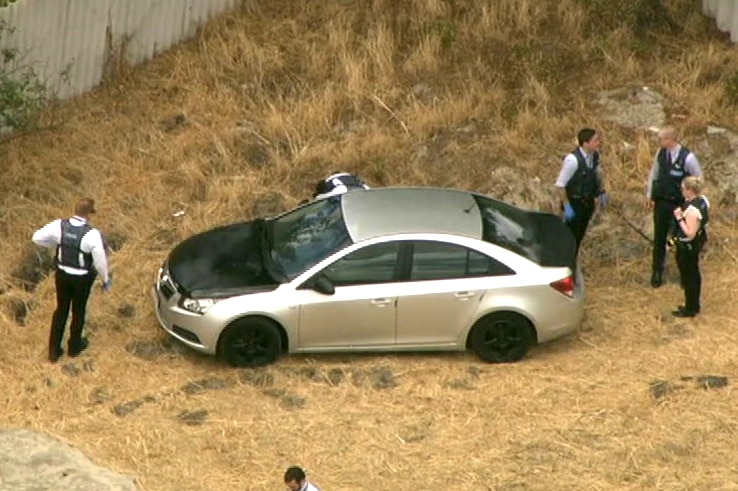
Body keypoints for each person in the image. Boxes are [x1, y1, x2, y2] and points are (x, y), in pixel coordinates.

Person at [32, 198, 111, 362]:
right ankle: (74, 346)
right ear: (89, 214)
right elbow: (100, 261)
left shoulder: (58, 226)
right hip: (81, 278)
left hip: (62, 275)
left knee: (61, 310)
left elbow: (37, 238)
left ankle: (53, 351)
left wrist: (56, 244)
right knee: (79, 310)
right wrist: (105, 280)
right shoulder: (92, 234)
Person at [646, 126, 702, 288]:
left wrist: (692, 201)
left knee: (681, 239)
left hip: (680, 203)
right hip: (663, 202)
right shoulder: (661, 154)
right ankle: (657, 271)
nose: (660, 142)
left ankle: (685, 274)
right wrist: (649, 194)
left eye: (662, 139)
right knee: (659, 238)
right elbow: (654, 174)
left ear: (671, 139)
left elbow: (697, 179)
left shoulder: (688, 157)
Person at [555, 128, 608, 253]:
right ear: (585, 143)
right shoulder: (572, 160)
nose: (598, 143)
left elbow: (597, 172)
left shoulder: (594, 155)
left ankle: (573, 260)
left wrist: (601, 191)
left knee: (580, 235)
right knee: (570, 238)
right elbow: (560, 185)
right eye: (595, 141)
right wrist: (567, 207)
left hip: (588, 202)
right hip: (575, 203)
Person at [671, 177, 708, 318]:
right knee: (693, 275)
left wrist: (679, 217)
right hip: (695, 244)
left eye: (683, 188)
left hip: (688, 246)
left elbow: (690, 233)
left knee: (689, 276)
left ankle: (691, 308)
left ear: (690, 190)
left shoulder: (692, 211)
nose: (681, 190)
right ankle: (693, 305)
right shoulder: (702, 201)